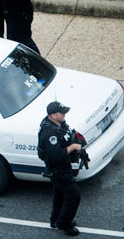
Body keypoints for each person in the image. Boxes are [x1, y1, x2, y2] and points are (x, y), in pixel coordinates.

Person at [37, 101, 84, 236]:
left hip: (62, 167)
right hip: (58, 169)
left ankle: (55, 219)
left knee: (60, 194)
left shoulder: (59, 124)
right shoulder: (49, 133)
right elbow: (57, 155)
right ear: (52, 115)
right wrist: (74, 147)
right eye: (61, 112)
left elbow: (66, 138)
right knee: (74, 196)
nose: (64, 114)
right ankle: (64, 223)